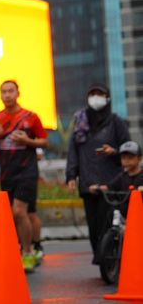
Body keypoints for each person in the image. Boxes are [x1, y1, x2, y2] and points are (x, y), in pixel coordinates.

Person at [0, 80, 48, 273]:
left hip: (27, 171)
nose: (7, 95)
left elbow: (44, 142)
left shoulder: (31, 117)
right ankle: (26, 247)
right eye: (3, 92)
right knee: (19, 215)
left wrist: (27, 141)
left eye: (11, 91)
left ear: (18, 93)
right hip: (7, 173)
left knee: (20, 211)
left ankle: (28, 251)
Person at [65, 83, 130, 265]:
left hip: (111, 183)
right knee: (93, 226)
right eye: (92, 94)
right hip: (88, 183)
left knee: (107, 223)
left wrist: (113, 151)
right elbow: (73, 151)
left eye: (99, 94)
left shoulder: (116, 122)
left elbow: (128, 149)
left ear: (107, 98)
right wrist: (71, 176)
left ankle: (110, 260)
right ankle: (102, 260)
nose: (95, 98)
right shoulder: (81, 123)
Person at [90, 141, 143, 217]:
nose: (126, 161)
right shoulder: (122, 176)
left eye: (130, 158)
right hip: (124, 215)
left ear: (139, 158)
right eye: (123, 158)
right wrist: (98, 188)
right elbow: (109, 187)